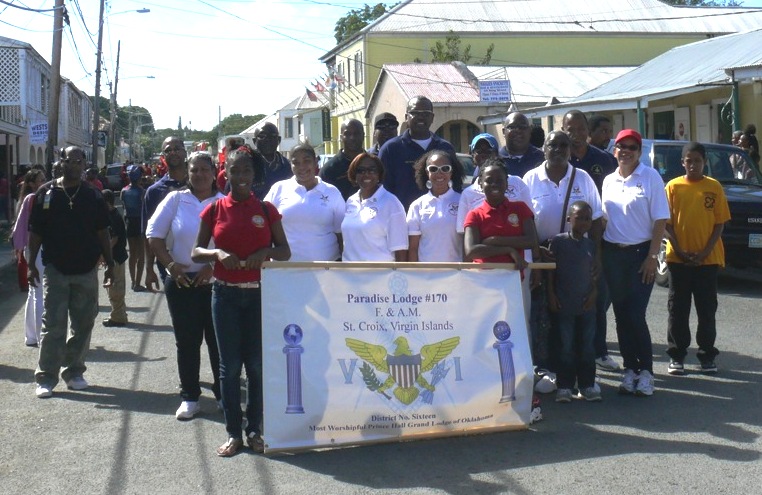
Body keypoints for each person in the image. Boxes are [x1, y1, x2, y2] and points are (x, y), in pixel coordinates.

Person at [192, 145, 290, 457]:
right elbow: (196, 251)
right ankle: (234, 432)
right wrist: (217, 253)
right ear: (227, 173)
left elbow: (285, 251)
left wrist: (266, 253)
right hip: (225, 296)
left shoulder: (266, 210)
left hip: (258, 294)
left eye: (247, 170)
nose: (242, 176)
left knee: (257, 366)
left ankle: (255, 430)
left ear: (254, 174)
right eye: (236, 170)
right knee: (230, 366)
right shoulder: (215, 209)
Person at [28, 145, 115, 398]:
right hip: (55, 268)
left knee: (84, 323)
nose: (75, 165)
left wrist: (110, 264)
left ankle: (74, 371)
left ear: (84, 163)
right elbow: (36, 232)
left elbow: (103, 232)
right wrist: (31, 263)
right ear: (61, 162)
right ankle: (46, 377)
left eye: (79, 161)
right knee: (53, 324)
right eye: (70, 160)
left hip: (86, 269)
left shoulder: (93, 195)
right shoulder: (46, 194)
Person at [147, 151, 224, 420]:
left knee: (218, 343)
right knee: (187, 343)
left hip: (217, 282)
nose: (200, 175)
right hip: (181, 282)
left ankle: (224, 396)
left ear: (214, 172)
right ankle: (190, 397)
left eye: (205, 169)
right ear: (188, 173)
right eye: (194, 170)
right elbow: (154, 235)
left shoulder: (224, 202)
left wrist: (213, 267)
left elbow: (236, 243)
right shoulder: (175, 199)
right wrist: (169, 265)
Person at [602, 129, 670, 397]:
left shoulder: (650, 177)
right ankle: (630, 370)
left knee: (635, 314)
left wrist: (652, 257)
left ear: (640, 152)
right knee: (620, 315)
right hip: (613, 254)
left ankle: (647, 372)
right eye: (621, 146)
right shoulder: (609, 180)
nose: (626, 151)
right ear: (615, 150)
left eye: (632, 147)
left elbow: (660, 219)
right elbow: (604, 218)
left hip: (641, 255)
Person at [664, 142, 730, 375]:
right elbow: (666, 224)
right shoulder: (673, 187)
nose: (693, 165)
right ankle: (677, 355)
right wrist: (680, 250)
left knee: (706, 309)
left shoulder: (714, 187)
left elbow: (719, 223)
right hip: (678, 259)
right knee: (678, 308)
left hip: (707, 260)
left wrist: (703, 252)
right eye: (688, 161)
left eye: (698, 161)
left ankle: (706, 355)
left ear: (705, 163)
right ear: (682, 162)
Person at [561, 110, 620, 372]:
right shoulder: (559, 158)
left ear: (588, 129)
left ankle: (600, 351)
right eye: (570, 128)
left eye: (581, 127)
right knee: (566, 298)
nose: (576, 133)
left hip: (596, 238)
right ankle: (569, 353)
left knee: (598, 296)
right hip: (565, 242)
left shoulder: (605, 160)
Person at [547, 201, 600, 402]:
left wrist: (594, 292)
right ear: (569, 219)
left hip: (587, 304)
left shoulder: (590, 245)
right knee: (565, 346)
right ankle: (565, 386)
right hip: (564, 303)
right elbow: (551, 271)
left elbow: (594, 274)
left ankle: (587, 385)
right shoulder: (559, 241)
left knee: (587, 346)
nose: (585, 222)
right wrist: (551, 294)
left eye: (588, 218)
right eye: (580, 218)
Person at [265, 142, 345, 261]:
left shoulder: (332, 192)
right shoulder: (278, 189)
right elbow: (263, 225)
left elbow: (342, 234)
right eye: (295, 162)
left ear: (315, 162)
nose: (301, 167)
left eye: (306, 161)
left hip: (326, 269)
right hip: (284, 270)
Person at [379, 95, 455, 210]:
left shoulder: (445, 148)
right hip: (401, 219)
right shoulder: (390, 149)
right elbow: (382, 190)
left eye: (425, 114)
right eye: (415, 113)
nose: (420, 118)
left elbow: (456, 184)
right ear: (406, 117)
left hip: (441, 218)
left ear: (432, 117)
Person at [463, 161, 538, 270]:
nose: (494, 184)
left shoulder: (520, 208)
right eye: (489, 180)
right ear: (480, 183)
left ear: (507, 183)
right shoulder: (474, 215)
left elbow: (532, 241)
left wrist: (494, 240)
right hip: (482, 279)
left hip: (512, 278)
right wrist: (509, 250)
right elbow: (471, 251)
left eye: (499, 180)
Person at [342, 153, 408, 262]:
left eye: (372, 170)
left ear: (379, 174)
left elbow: (400, 250)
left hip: (380, 275)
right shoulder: (351, 201)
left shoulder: (391, 203)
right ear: (354, 174)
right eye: (361, 170)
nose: (366, 174)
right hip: (349, 274)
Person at [143, 136, 188, 291]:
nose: (173, 153)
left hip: (202, 265)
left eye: (177, 149)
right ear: (163, 157)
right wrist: (149, 269)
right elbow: (149, 234)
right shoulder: (154, 192)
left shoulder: (200, 184)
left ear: (185, 152)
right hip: (168, 265)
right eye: (168, 150)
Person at [406, 150, 464, 262]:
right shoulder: (417, 206)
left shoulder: (463, 201)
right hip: (426, 275)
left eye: (445, 168)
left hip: (457, 274)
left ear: (451, 172)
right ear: (427, 173)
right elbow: (413, 249)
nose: (439, 173)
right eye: (433, 169)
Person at [11, 168, 46, 346]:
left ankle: (31, 336)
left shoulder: (27, 199)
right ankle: (41, 337)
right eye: (41, 179)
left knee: (33, 292)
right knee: (39, 293)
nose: (44, 181)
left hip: (29, 249)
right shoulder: (35, 198)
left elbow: (17, 228)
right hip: (36, 249)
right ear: (32, 183)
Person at [319, 119, 366, 200]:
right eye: (347, 134)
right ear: (341, 137)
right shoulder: (329, 170)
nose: (352, 137)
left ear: (363, 136)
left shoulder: (374, 165)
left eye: (357, 133)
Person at [102, 189, 129, 327]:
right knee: (114, 287)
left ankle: (118, 317)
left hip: (116, 257)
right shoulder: (112, 215)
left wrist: (104, 254)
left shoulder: (113, 217)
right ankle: (121, 313)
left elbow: (114, 239)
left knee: (115, 289)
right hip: (116, 257)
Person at [252, 122, 293, 199]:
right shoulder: (247, 166)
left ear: (279, 140)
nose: (268, 139)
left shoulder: (289, 166)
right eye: (262, 136)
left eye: (273, 136)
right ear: (254, 141)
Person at [121, 165, 145, 291]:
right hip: (140, 223)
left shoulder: (124, 191)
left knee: (133, 254)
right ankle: (137, 283)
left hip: (129, 223)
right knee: (141, 254)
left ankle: (133, 281)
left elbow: (124, 207)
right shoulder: (142, 191)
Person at [498, 112, 545, 178]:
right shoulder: (496, 159)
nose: (518, 131)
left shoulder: (542, 158)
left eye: (522, 127)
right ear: (503, 131)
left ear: (529, 131)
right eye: (512, 127)